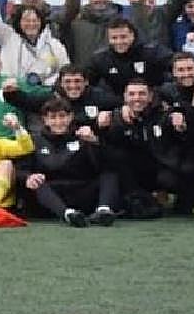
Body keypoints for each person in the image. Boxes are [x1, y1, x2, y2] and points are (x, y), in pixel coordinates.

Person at [99, 77, 194, 217]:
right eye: (132, 94)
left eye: (142, 94)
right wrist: (103, 127)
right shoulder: (115, 118)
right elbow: (108, 146)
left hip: (163, 169)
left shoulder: (165, 115)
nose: (137, 98)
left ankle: (192, 198)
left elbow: (189, 140)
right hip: (134, 174)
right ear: (124, 97)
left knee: (176, 179)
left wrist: (182, 128)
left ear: (150, 97)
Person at [17, 97, 118, 227]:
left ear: (70, 117)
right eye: (53, 117)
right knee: (36, 182)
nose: (58, 121)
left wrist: (95, 142)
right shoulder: (33, 140)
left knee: (109, 173)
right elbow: (19, 169)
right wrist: (28, 177)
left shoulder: (84, 136)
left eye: (62, 116)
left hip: (80, 191)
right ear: (45, 120)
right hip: (51, 195)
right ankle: (68, 215)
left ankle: (103, 211)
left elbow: (106, 163)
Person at [0, 0, 71, 88]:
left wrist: (45, 82)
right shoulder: (8, 37)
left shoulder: (55, 45)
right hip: (12, 92)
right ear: (19, 22)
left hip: (45, 93)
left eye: (35, 21)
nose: (31, 24)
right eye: (26, 21)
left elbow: (65, 71)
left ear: (41, 22)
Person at [85, 17, 173, 98]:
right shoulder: (101, 58)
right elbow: (86, 83)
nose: (119, 42)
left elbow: (176, 66)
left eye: (123, 37)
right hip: (118, 105)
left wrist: (159, 94)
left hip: (153, 104)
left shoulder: (152, 52)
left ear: (132, 36)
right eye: (114, 38)